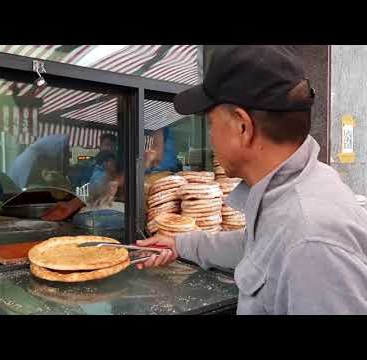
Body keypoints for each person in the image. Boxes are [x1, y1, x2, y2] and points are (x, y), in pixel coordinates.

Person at [136, 45, 367, 315]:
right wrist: (179, 244)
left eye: (211, 123)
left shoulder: (311, 244)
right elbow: (253, 245)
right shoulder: (297, 192)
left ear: (242, 127)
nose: (210, 136)